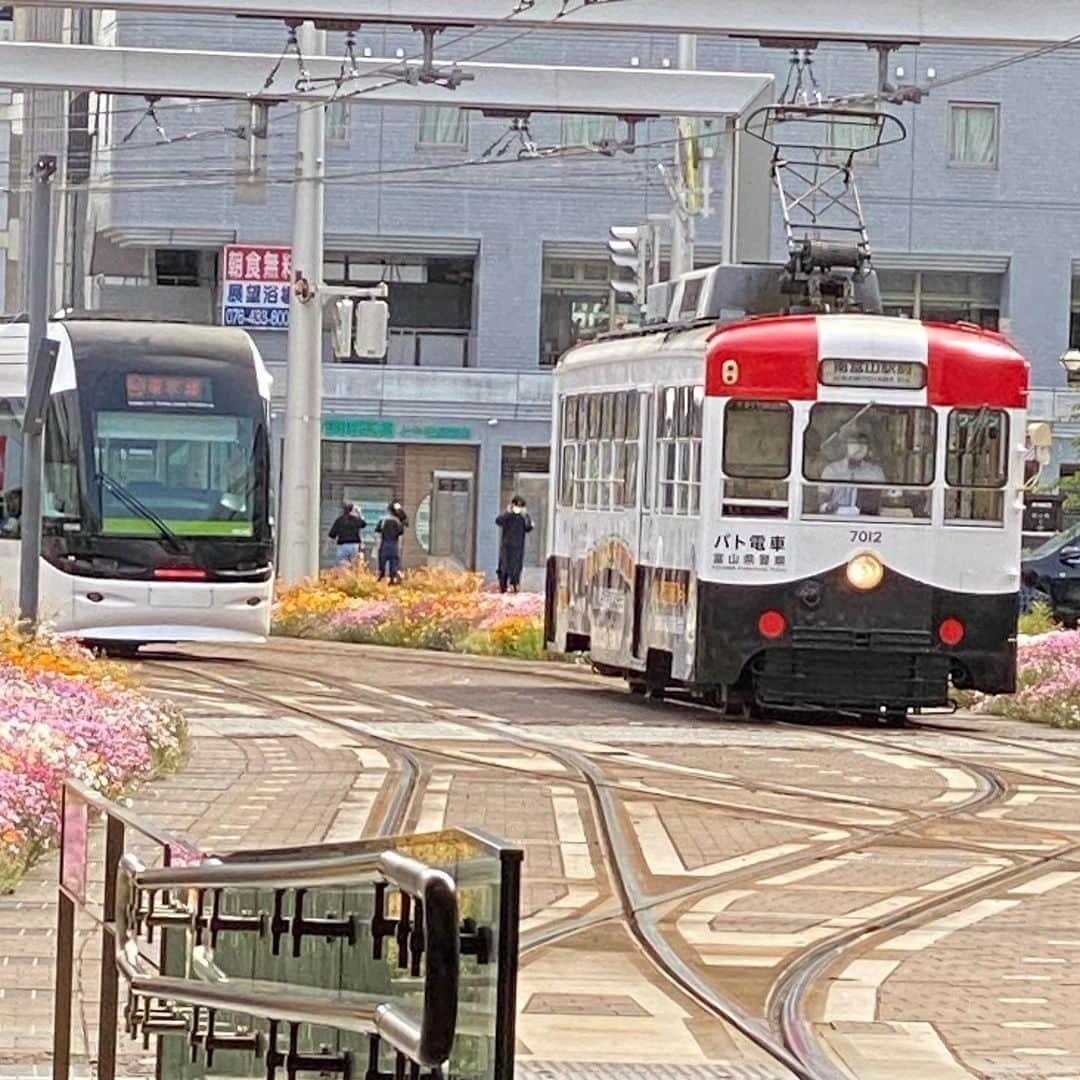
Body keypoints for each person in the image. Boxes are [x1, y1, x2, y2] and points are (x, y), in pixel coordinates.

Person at [819, 430, 885, 515]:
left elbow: (884, 500)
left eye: (864, 443)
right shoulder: (832, 470)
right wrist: (829, 506)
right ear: (846, 446)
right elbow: (823, 497)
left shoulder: (876, 472)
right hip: (837, 519)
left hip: (868, 520)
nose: (860, 447)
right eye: (854, 442)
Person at [495, 495, 533, 594]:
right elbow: (498, 521)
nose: (517, 508)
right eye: (516, 505)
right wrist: (507, 512)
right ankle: (503, 585)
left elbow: (528, 527)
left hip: (518, 547)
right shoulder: (508, 516)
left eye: (520, 506)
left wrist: (526, 515)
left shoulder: (523, 517)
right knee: (504, 567)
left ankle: (514, 584)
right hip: (506, 546)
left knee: (516, 567)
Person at [375, 500, 408, 583]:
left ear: (388, 511)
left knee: (381, 566)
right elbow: (400, 537)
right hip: (394, 545)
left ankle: (381, 580)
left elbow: (377, 535)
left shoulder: (382, 522)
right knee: (393, 566)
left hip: (384, 545)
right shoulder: (398, 523)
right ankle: (392, 581)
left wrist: (377, 546)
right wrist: (399, 549)